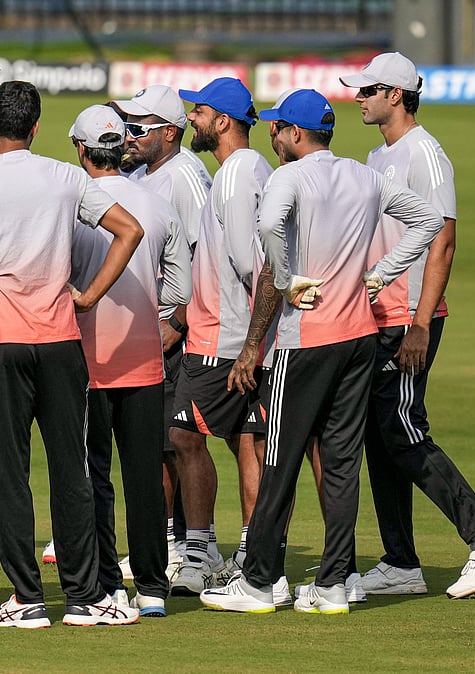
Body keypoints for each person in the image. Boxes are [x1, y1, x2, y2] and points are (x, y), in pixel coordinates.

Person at [0, 81, 143, 628]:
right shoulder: (65, 177)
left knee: (7, 473)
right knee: (73, 470)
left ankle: (28, 599)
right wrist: (88, 296)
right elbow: (129, 231)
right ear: (36, 127)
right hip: (61, 339)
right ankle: (84, 599)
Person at [200, 89, 442, 616]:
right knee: (339, 463)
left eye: (278, 126)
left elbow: (267, 230)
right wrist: (381, 272)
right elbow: (427, 221)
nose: (272, 134)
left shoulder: (287, 176)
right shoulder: (364, 174)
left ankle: (260, 583)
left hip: (303, 338)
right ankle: (334, 584)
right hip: (359, 337)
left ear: (293, 133)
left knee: (280, 459)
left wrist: (287, 279)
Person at [340, 52, 475, 598]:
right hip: (379, 314)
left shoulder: (426, 154)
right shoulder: (377, 155)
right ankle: (401, 562)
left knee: (402, 429)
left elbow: (442, 240)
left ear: (396, 94)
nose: (360, 97)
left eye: (369, 90)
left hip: (408, 320)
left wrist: (420, 322)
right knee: (381, 435)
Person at [67, 104, 191, 618]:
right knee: (144, 475)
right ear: (121, 147)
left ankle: (105, 584)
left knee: (93, 475)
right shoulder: (157, 202)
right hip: (145, 359)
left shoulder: (72, 206)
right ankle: (153, 588)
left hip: (84, 363)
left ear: (79, 149)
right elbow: (180, 288)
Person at [167, 77, 272, 596]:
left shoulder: (234, 176)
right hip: (237, 335)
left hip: (222, 340)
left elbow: (251, 265)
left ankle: (200, 551)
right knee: (247, 443)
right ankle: (253, 555)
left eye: (200, 112)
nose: (192, 120)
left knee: (183, 437)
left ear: (223, 121)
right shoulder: (250, 171)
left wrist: (250, 345)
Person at [110, 84, 209, 575]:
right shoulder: (148, 172)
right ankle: (168, 539)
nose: (128, 135)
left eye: (138, 128)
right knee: (158, 442)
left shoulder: (186, 176)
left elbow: (203, 254)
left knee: (177, 441)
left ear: (170, 133)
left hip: (176, 329)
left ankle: (191, 544)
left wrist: (178, 320)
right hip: (151, 327)